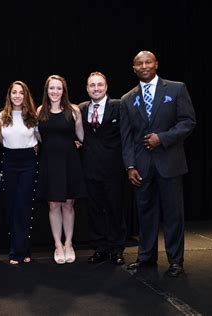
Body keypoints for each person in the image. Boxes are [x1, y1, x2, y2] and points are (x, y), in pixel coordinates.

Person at [120, 51, 196, 277]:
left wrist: (162, 138)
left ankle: (176, 261)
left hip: (170, 162)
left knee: (173, 214)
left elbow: (188, 121)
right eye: (139, 63)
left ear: (156, 64)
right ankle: (146, 257)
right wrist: (130, 166)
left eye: (148, 62)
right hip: (141, 167)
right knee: (145, 213)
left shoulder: (176, 88)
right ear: (134, 68)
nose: (144, 66)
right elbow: (126, 138)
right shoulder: (127, 99)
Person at [35, 74, 86, 264]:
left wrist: (79, 143)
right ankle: (58, 244)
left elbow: (81, 135)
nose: (55, 92)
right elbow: (39, 136)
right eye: (51, 88)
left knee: (68, 204)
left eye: (58, 88)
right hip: (49, 162)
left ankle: (69, 243)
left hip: (70, 162)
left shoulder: (73, 110)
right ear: (46, 90)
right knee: (53, 204)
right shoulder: (40, 111)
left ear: (63, 91)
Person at [78, 72, 126, 265]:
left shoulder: (119, 106)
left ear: (106, 87)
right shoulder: (81, 109)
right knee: (94, 211)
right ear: (87, 88)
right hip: (90, 169)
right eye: (92, 85)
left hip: (114, 170)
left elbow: (127, 135)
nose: (96, 88)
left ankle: (117, 250)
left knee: (115, 210)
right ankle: (100, 248)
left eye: (99, 85)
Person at [0, 81, 38, 265]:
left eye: (21, 92)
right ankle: (16, 249)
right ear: (9, 95)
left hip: (28, 162)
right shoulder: (1, 117)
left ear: (26, 95)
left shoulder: (32, 116)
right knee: (12, 207)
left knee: (24, 206)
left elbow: (39, 139)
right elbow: (0, 139)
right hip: (10, 161)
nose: (17, 96)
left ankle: (22, 250)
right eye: (14, 92)